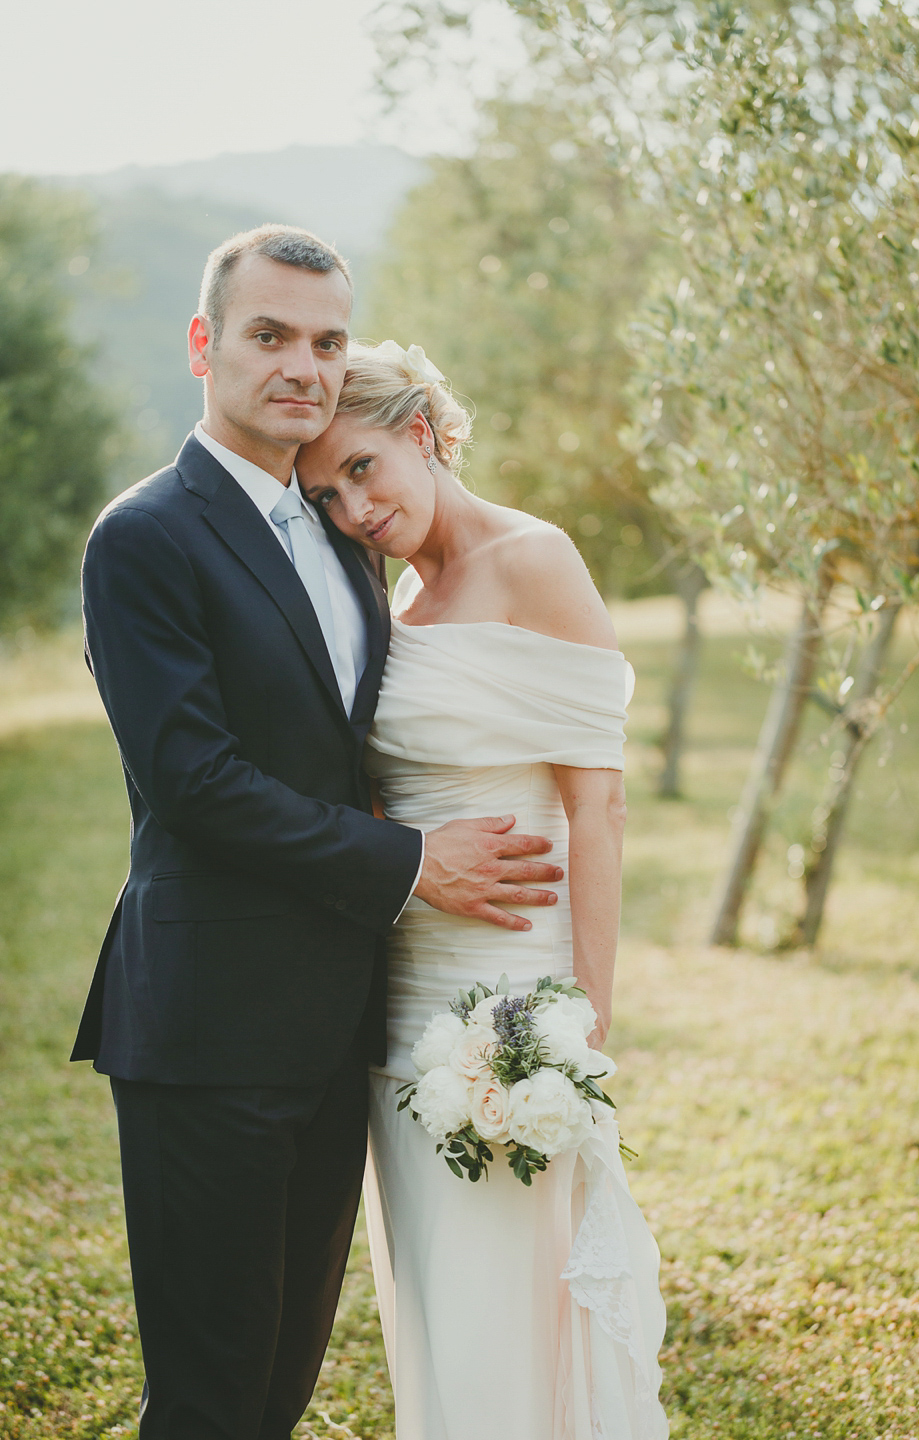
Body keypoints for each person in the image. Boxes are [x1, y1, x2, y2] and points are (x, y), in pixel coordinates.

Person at [71, 226, 565, 1440]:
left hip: (339, 1027)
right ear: (206, 345)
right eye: (271, 335)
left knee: (282, 1384)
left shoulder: (342, 539)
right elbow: (195, 780)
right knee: (209, 1393)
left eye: (329, 342)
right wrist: (413, 862)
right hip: (208, 1030)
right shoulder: (143, 537)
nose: (304, 364)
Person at [297, 339, 669, 1440]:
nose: (355, 506)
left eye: (363, 467)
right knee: (442, 1302)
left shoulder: (535, 559)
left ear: (420, 431)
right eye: (327, 493)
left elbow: (596, 808)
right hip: (405, 994)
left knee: (514, 1291)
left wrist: (587, 1022)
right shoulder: (384, 599)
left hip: (516, 980)